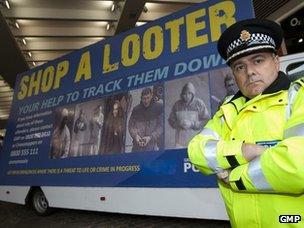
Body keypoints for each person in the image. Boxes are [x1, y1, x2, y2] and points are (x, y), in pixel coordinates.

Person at [188, 18, 304, 228]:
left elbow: (298, 167)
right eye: (240, 66)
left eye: (258, 60)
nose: (249, 72)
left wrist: (234, 177)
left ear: (276, 61)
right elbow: (197, 151)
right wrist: (244, 151)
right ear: (234, 74)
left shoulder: (298, 98)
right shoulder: (228, 110)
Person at [168, 82, 210, 148]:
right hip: (180, 142)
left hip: (196, 141)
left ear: (193, 94)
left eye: (189, 93)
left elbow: (207, 120)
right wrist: (178, 124)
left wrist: (192, 124)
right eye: (185, 94)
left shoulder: (199, 104)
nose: (187, 96)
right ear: (182, 95)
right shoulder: (177, 105)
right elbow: (171, 120)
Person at [128, 87, 163, 152]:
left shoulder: (159, 107)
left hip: (152, 147)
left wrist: (151, 137)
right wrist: (136, 136)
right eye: (144, 99)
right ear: (141, 98)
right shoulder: (136, 110)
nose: (146, 101)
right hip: (136, 147)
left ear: (151, 96)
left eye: (148, 98)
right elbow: (131, 126)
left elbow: (161, 126)